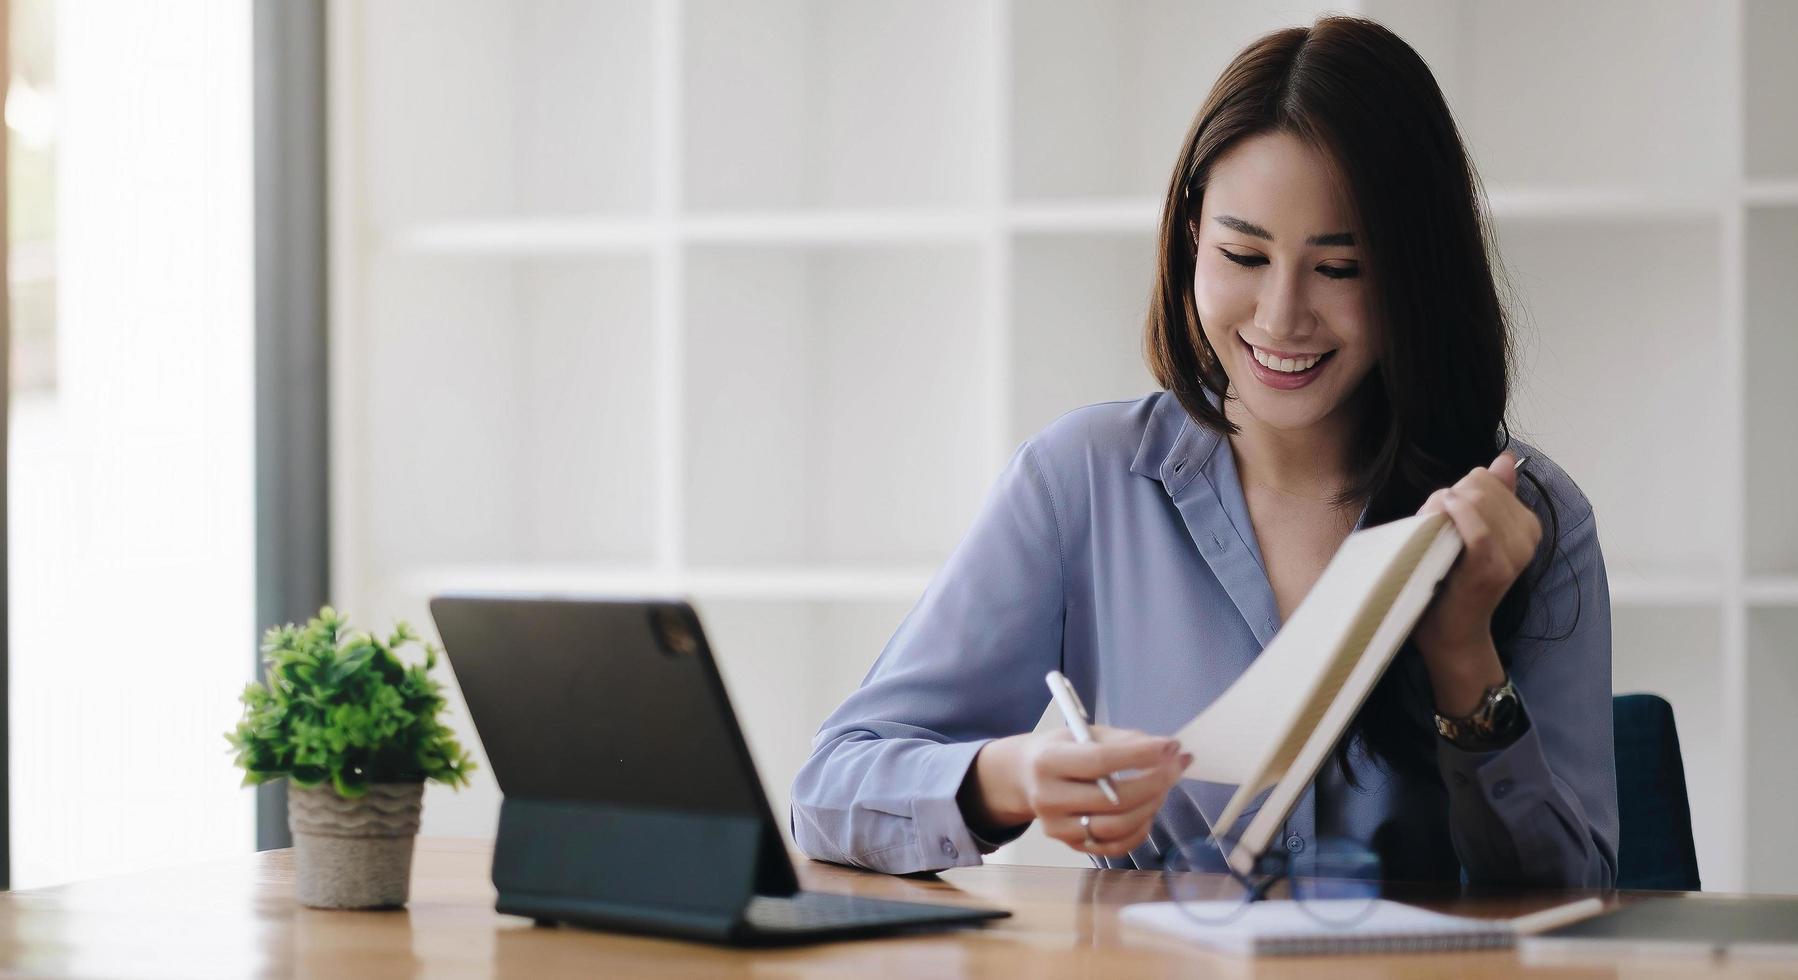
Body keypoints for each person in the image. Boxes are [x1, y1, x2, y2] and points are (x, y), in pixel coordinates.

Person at [790, 15, 1616, 888]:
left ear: (1416, 274)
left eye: (1340, 269)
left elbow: (1577, 896)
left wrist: (1462, 656)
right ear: (1191, 237)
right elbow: (832, 787)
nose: (1280, 316)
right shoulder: (1083, 483)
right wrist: (1011, 778)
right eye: (1243, 255)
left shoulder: (1529, 523)